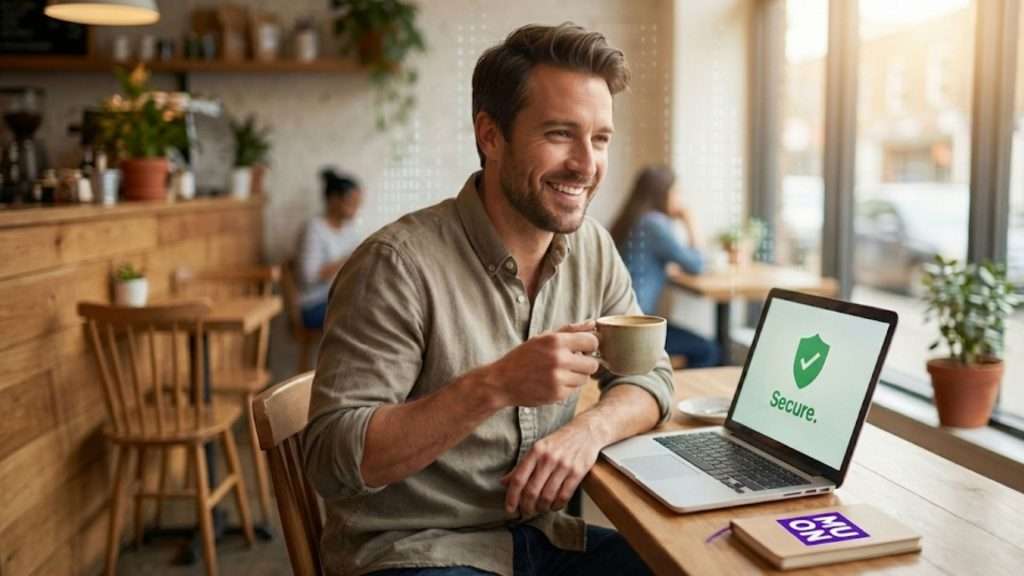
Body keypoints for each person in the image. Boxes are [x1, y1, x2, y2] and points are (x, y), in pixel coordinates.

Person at [303, 23, 672, 576]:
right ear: (490, 136)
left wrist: (586, 432)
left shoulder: (591, 247)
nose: (586, 164)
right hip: (415, 551)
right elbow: (333, 458)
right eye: (559, 134)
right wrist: (495, 385)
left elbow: (651, 378)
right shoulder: (395, 265)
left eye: (599, 139)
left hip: (542, 538)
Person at [610, 166, 720, 368]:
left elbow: (639, 263)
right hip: (636, 328)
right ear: (662, 194)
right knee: (709, 350)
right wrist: (690, 221)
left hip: (619, 323)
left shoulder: (633, 220)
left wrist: (662, 267)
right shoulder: (654, 224)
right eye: (677, 192)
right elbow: (697, 264)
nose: (680, 199)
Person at [296, 169, 363, 329]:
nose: (356, 208)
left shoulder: (349, 229)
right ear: (333, 200)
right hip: (314, 304)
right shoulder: (314, 229)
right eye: (351, 203)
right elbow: (309, 276)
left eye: (358, 204)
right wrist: (348, 259)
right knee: (367, 315)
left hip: (339, 297)